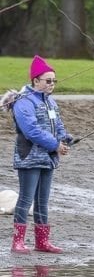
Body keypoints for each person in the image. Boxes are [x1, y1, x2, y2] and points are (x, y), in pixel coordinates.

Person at [7, 56, 71, 253]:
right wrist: (55, 145)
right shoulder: (23, 102)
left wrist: (65, 139)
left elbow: (57, 125)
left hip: (48, 157)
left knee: (43, 201)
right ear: (36, 80)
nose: (52, 84)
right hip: (29, 158)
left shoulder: (51, 102)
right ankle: (17, 242)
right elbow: (31, 131)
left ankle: (42, 242)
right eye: (48, 80)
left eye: (54, 81)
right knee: (26, 199)